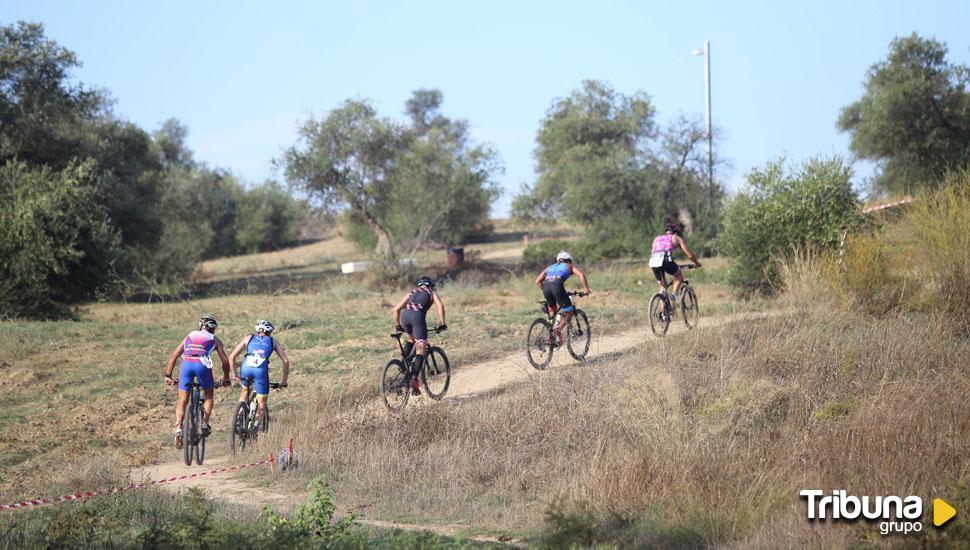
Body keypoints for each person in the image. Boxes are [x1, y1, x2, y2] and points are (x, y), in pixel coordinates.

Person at [164, 314, 231, 448]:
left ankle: (178, 429)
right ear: (213, 329)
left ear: (200, 326)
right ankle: (205, 423)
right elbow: (225, 361)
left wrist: (168, 375)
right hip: (202, 364)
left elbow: (174, 355)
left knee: (182, 401)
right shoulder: (215, 339)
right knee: (208, 394)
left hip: (186, 364)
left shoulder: (190, 335)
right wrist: (226, 378)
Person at [228, 319, 290, 429]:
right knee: (262, 402)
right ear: (270, 332)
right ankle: (255, 426)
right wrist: (284, 381)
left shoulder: (249, 338)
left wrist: (235, 375)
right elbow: (285, 361)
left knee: (245, 390)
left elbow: (232, 357)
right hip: (260, 369)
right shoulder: (272, 341)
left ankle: (238, 415)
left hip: (246, 366)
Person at [392, 276, 447, 395]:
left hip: (404, 317)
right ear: (430, 285)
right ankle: (414, 381)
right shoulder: (431, 292)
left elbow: (396, 309)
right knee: (421, 348)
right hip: (417, 317)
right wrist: (442, 323)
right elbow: (441, 306)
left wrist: (398, 325)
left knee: (412, 339)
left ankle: (403, 365)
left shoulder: (411, 292)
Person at [534, 251, 592, 344]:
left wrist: (547, 291)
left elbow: (537, 281)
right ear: (568, 261)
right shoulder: (569, 266)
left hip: (546, 287)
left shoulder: (550, 267)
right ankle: (558, 330)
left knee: (553, 310)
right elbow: (581, 275)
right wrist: (586, 289)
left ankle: (550, 334)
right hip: (557, 286)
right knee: (569, 312)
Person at [648, 222, 702, 315]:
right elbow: (689, 254)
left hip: (653, 262)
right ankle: (674, 295)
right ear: (676, 232)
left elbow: (655, 251)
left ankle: (662, 314)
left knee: (662, 286)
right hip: (665, 260)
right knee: (678, 275)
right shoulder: (676, 238)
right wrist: (696, 263)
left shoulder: (657, 238)